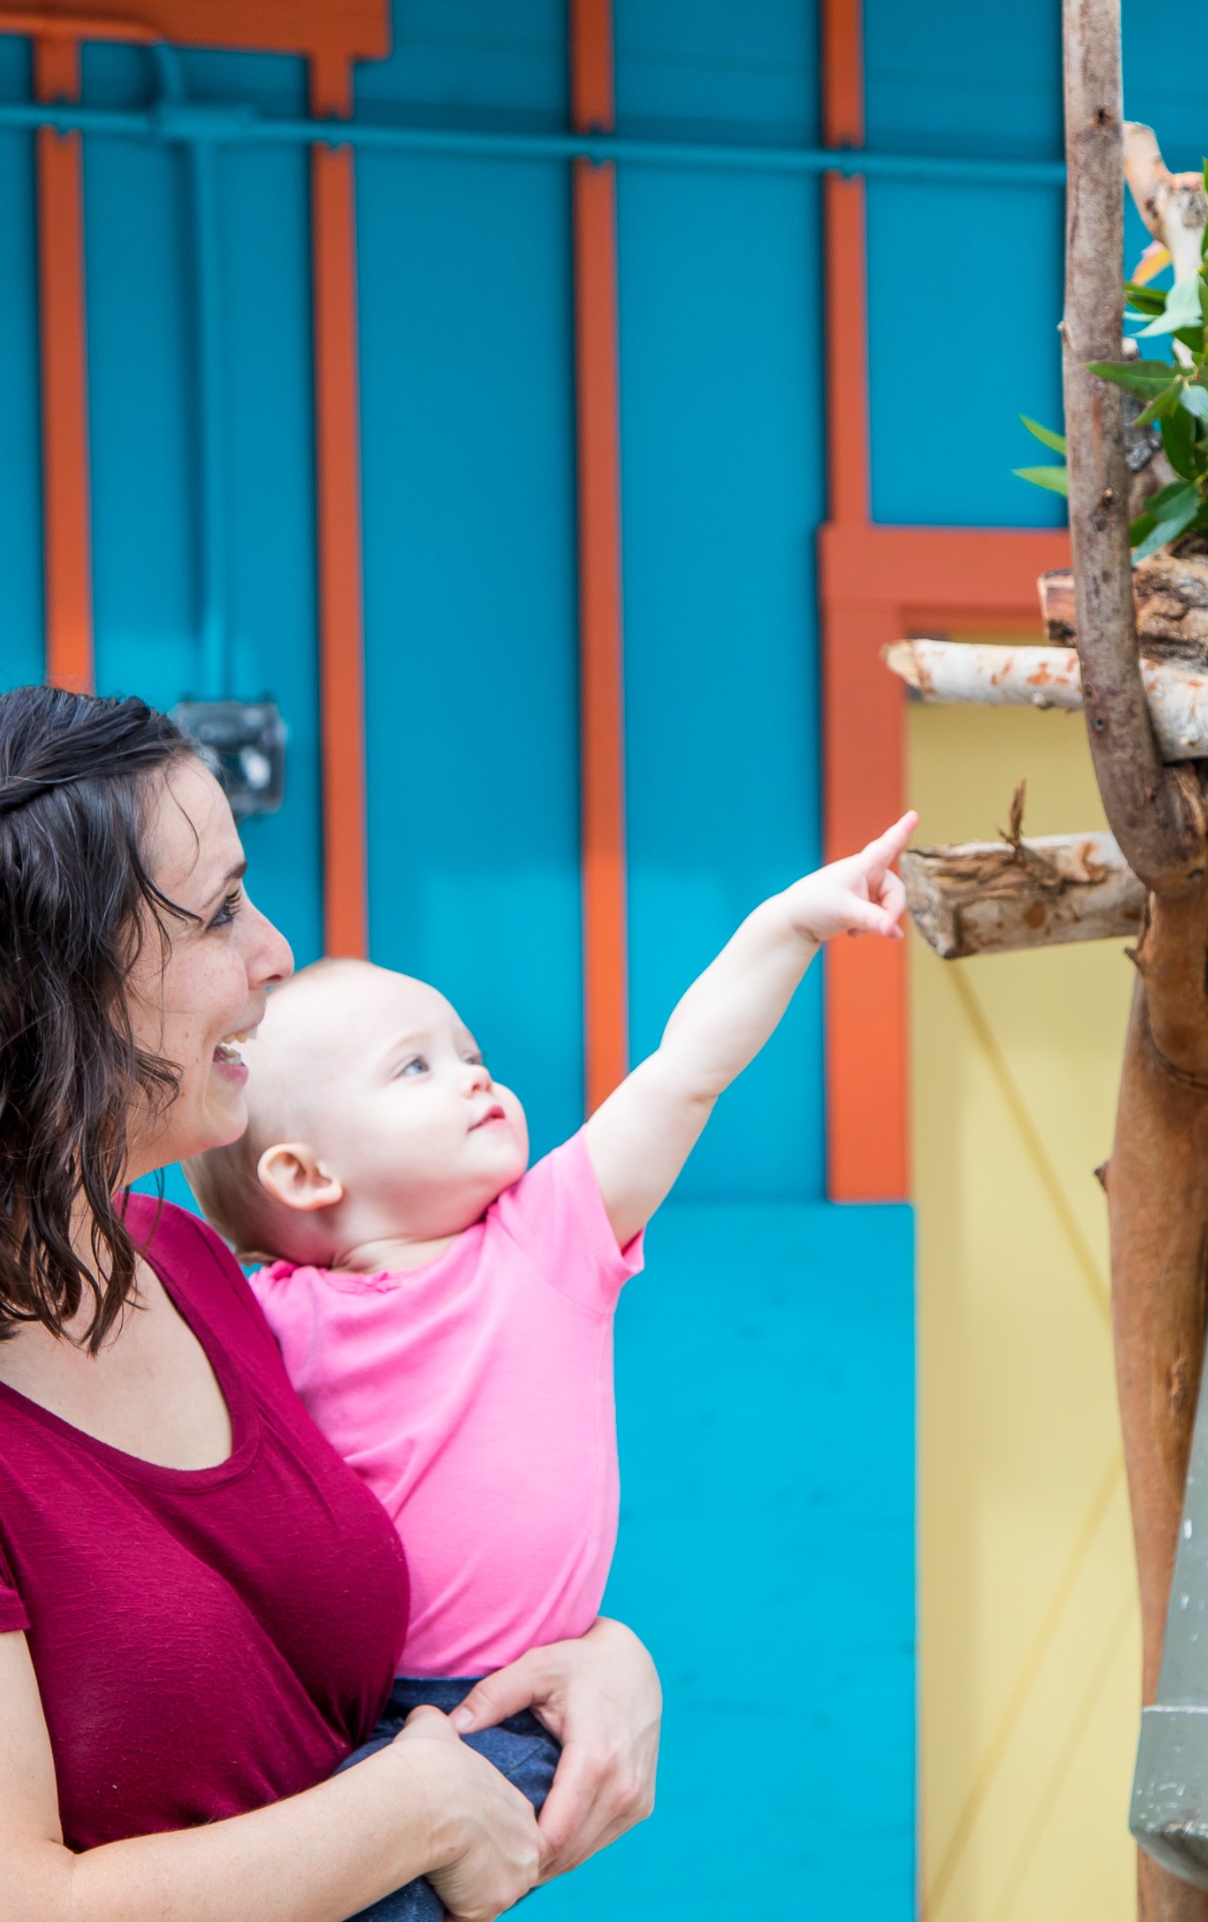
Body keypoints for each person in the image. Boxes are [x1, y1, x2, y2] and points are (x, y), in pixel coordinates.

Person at [0, 687, 659, 1922]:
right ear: (40, 979)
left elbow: (352, 1663)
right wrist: (416, 1806)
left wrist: (589, 1661)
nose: (275, 953)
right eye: (220, 910)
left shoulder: (183, 1263)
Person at [182, 813, 917, 1921]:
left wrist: (786, 925)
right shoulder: (262, 1311)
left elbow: (685, 1073)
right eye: (416, 1067)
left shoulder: (549, 1237)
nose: (479, 1077)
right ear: (301, 1168)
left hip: (499, 1708)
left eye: (471, 1052)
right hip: (325, 1711)